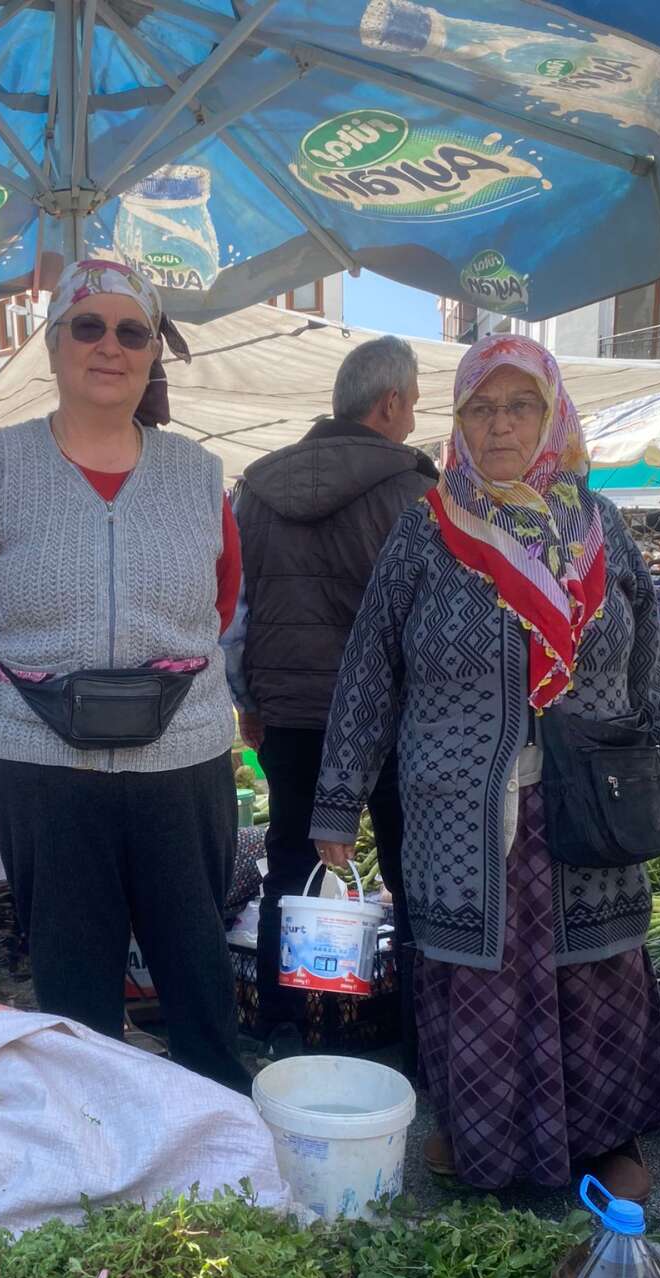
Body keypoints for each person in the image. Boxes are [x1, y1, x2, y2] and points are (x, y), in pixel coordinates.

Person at [311, 335, 660, 1202]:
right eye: (481, 406)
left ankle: (605, 1137)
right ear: (458, 419)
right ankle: (479, 1138)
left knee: (598, 974)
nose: (500, 424)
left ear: (552, 416)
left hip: (588, 801)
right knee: (474, 978)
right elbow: (368, 670)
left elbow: (649, 668)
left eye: (520, 406)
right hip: (460, 808)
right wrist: (336, 802)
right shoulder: (427, 531)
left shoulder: (598, 526)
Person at [0, 258, 249, 1095]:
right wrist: (30, 682)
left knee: (197, 965)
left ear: (151, 354)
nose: (109, 346)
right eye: (86, 326)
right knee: (71, 976)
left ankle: (219, 1135)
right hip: (45, 765)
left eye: (131, 331)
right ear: (54, 344)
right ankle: (92, 1142)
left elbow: (220, 600)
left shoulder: (198, 474)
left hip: (184, 757)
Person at [228, 336, 436, 1057]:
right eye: (411, 402)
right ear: (389, 404)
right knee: (414, 872)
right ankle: (414, 1037)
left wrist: (245, 699)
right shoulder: (413, 491)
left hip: (286, 712)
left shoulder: (254, 487)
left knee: (288, 864)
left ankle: (283, 1025)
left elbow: (236, 615)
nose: (413, 417)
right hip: (392, 720)